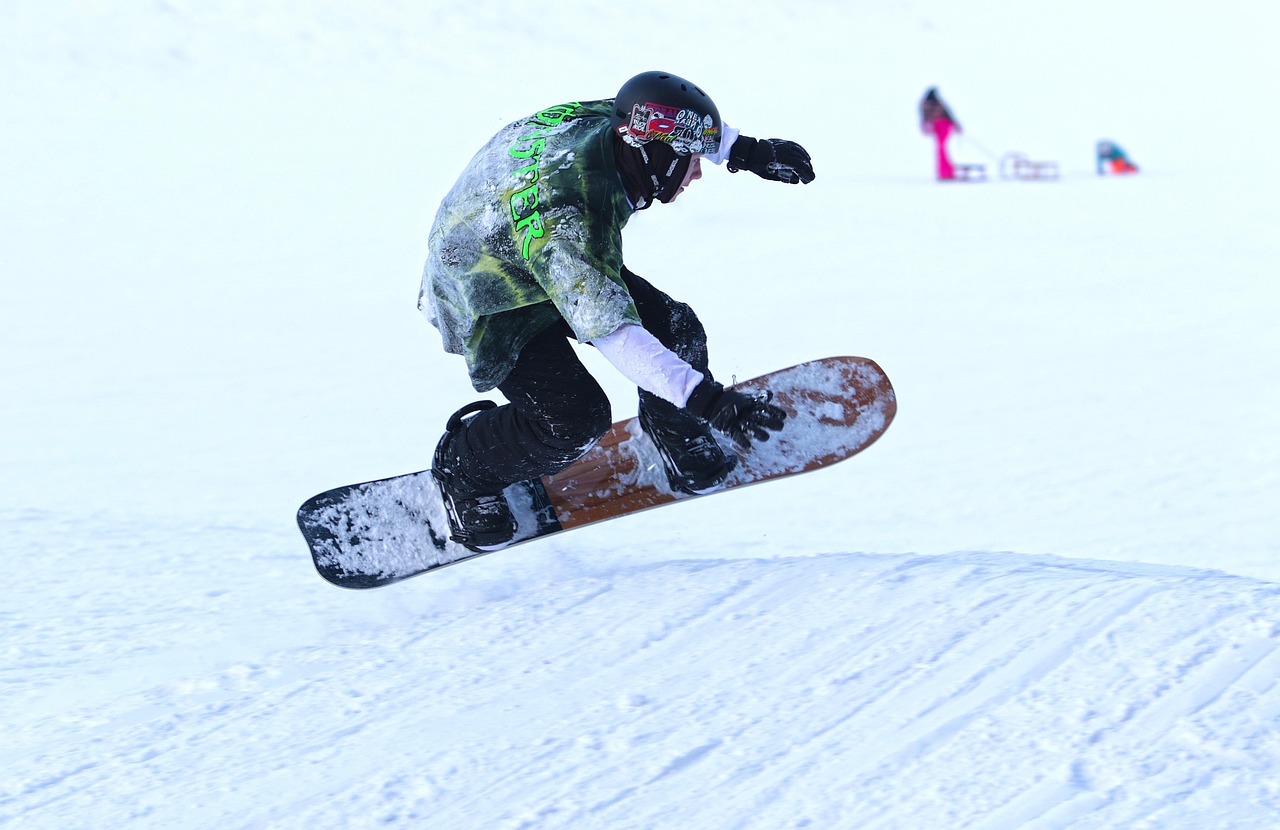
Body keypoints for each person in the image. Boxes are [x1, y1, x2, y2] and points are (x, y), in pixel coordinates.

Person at [418, 71, 816, 551]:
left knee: (676, 330)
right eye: (692, 160)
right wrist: (707, 401)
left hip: (526, 246)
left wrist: (745, 151)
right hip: (488, 295)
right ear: (655, 155)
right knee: (574, 421)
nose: (697, 172)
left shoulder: (618, 124)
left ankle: (672, 429)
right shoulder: (572, 218)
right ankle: (466, 468)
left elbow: (667, 120)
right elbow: (616, 333)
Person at [919, 87, 960, 180]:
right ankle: (945, 172)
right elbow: (949, 114)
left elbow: (925, 117)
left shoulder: (926, 103)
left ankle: (946, 171)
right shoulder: (935, 103)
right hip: (941, 124)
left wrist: (925, 125)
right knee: (941, 148)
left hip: (941, 124)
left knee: (941, 147)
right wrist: (956, 124)